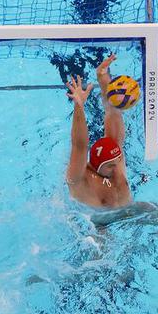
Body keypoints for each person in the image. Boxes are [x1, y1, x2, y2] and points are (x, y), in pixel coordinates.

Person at [65, 54, 132, 209]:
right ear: (96, 165)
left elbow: (112, 112)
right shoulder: (79, 179)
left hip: (131, 213)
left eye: (117, 161)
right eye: (110, 166)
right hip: (98, 225)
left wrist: (102, 76)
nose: (117, 168)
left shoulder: (114, 160)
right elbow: (79, 145)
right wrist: (79, 106)